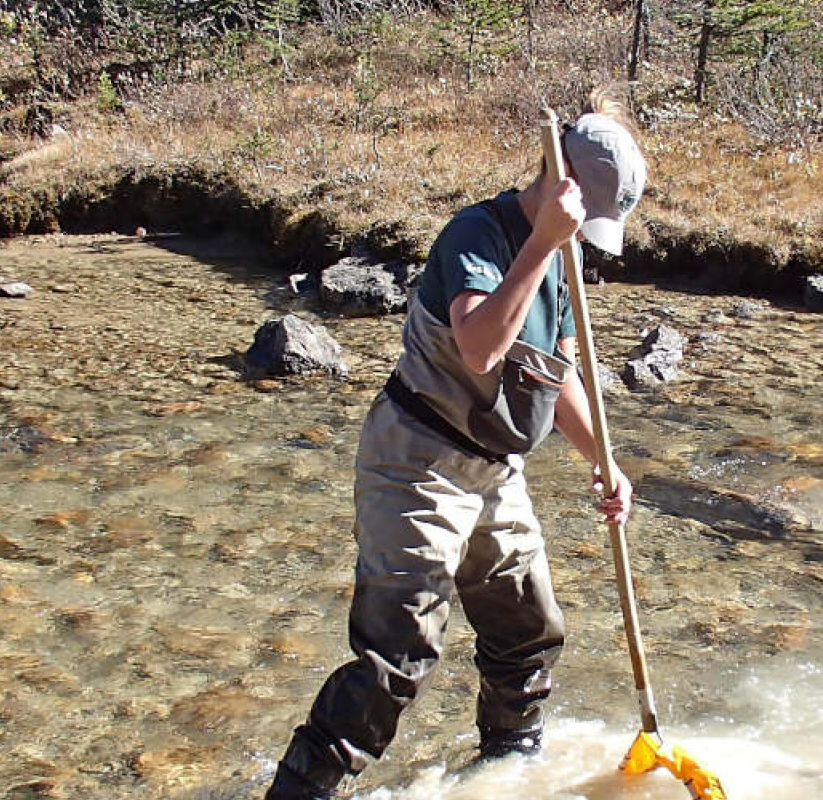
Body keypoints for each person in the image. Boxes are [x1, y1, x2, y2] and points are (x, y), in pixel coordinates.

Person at [265, 88, 647, 800]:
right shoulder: (479, 235)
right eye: (581, 223)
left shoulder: (559, 263)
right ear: (557, 183)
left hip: (494, 471)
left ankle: (506, 770)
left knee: (529, 631)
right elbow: (478, 347)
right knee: (399, 654)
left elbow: (559, 380)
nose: (580, 242)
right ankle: (301, 791)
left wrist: (606, 463)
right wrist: (541, 246)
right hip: (418, 459)